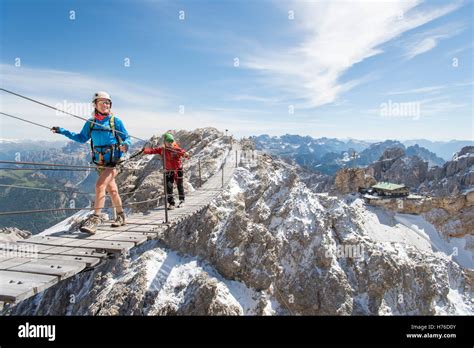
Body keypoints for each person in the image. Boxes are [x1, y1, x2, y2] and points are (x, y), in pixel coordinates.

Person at [51, 91, 131, 234]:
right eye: (102, 102)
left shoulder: (115, 121)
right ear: (95, 105)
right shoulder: (91, 123)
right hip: (100, 162)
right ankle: (121, 216)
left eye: (107, 102)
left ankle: (95, 219)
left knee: (100, 185)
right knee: (112, 191)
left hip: (114, 161)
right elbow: (81, 138)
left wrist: (125, 144)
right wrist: (62, 131)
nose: (105, 105)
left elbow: (127, 138)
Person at [143, 133, 189, 209]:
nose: (170, 143)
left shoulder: (176, 149)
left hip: (178, 170)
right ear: (165, 142)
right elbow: (153, 151)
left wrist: (186, 154)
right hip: (169, 171)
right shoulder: (162, 149)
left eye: (171, 141)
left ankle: (182, 200)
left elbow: (183, 153)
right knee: (169, 187)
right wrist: (145, 151)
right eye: (168, 141)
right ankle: (171, 203)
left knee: (179, 185)